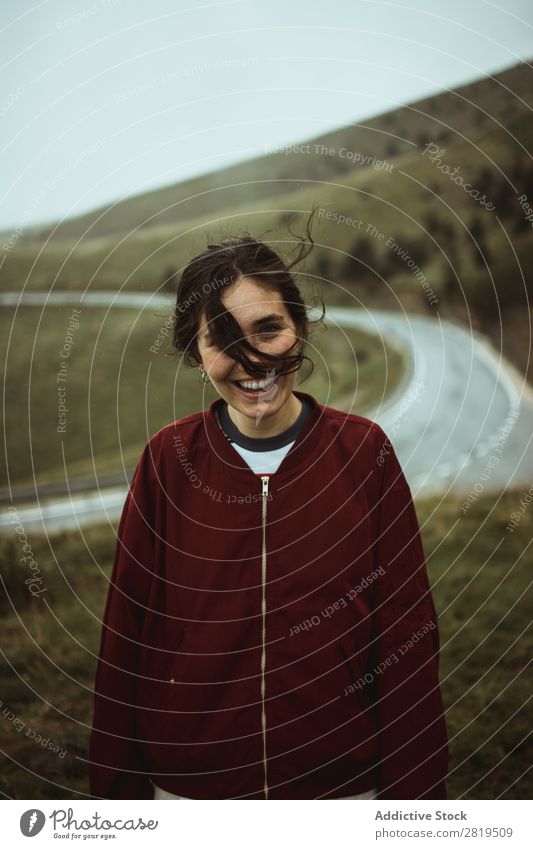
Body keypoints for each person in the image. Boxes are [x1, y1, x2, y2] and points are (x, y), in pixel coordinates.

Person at [89, 211, 449, 800]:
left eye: (267, 329)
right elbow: (126, 637)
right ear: (195, 350)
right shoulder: (167, 461)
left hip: (342, 791)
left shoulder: (363, 453)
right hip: (189, 796)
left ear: (299, 329)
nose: (253, 361)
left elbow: (407, 630)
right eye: (222, 340)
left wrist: (417, 805)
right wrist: (118, 805)